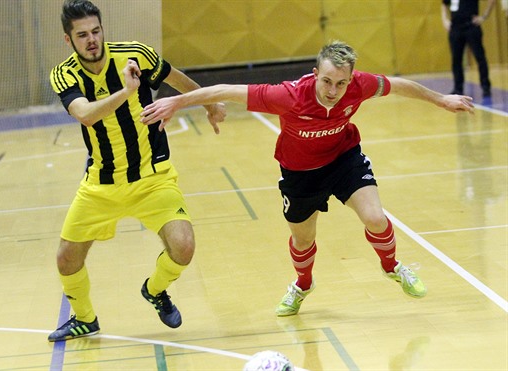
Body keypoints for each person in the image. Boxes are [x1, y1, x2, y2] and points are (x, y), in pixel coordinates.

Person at [141, 41, 475, 316]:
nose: (333, 90)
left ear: (351, 78)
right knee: (303, 241)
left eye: (341, 83)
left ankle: (391, 266)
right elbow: (227, 89)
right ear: (315, 74)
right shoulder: (288, 96)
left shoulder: (360, 85)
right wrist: (178, 100)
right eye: (327, 81)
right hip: (300, 174)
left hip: (344, 159)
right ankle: (302, 285)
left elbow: (399, 84)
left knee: (375, 216)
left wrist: (441, 99)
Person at [47, 0, 225, 342]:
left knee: (184, 247)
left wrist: (210, 102)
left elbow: (176, 78)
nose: (92, 40)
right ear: (68, 40)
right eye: (82, 35)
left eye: (96, 31)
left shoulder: (135, 55)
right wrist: (126, 92)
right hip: (101, 184)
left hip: (153, 178)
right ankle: (85, 319)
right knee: (66, 259)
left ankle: (155, 290)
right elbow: (85, 114)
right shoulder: (65, 74)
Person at [441, 0, 496, 97]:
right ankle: (458, 88)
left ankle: (485, 86)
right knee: (456, 59)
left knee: (480, 57)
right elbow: (444, 4)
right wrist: (444, 19)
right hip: (455, 27)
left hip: (471, 26)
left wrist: (484, 16)